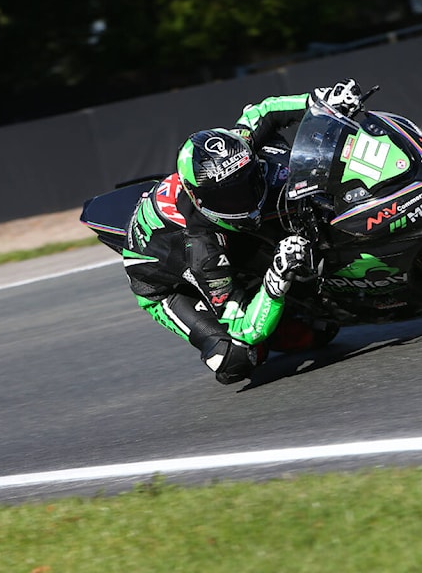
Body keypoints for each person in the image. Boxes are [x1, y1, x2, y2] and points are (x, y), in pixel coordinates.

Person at [122, 79, 363, 384]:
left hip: (222, 233)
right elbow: (244, 329)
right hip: (162, 279)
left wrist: (321, 101)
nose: (244, 199)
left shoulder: (237, 149)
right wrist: (276, 277)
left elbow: (264, 111)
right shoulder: (203, 250)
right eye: (228, 197)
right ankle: (275, 321)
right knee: (236, 358)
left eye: (246, 182)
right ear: (200, 199)